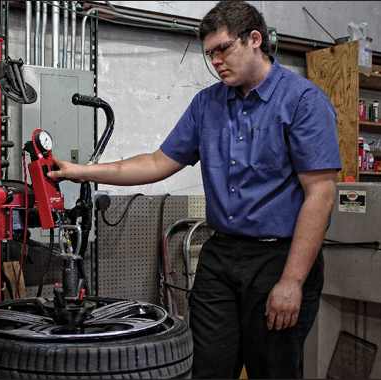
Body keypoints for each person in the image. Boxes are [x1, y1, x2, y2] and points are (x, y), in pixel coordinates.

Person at [47, 1, 341, 378]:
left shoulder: (302, 101)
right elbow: (157, 163)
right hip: (221, 255)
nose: (216, 61)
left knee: (274, 369)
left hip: (279, 259)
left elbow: (320, 194)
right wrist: (82, 172)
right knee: (207, 367)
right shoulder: (207, 104)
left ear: (255, 40)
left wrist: (292, 281)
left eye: (223, 49)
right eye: (209, 54)